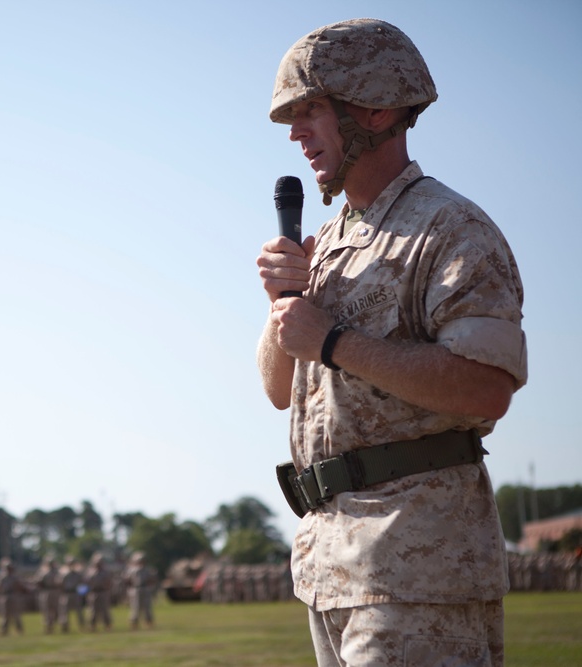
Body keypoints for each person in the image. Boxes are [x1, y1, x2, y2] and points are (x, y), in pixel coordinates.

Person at [256, 18, 527, 666]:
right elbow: (277, 390)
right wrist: (282, 305)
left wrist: (333, 341)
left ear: (375, 109)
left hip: (419, 568)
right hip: (330, 568)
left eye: (311, 110)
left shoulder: (449, 228)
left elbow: (486, 387)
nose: (295, 133)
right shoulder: (330, 243)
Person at [0, 558, 28, 636]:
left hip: (8, 596)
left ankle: (11, 630)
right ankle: (8, 630)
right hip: (9, 596)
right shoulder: (7, 577)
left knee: (11, 614)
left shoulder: (3, 577)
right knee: (7, 614)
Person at [124, 552, 157, 630]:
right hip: (136, 589)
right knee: (135, 606)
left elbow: (152, 579)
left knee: (147, 606)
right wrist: (130, 589)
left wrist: (150, 587)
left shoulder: (148, 570)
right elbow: (127, 580)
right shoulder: (132, 570)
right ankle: (134, 622)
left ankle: (148, 622)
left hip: (145, 588)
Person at [84, 553, 113, 632]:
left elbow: (109, 582)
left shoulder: (106, 572)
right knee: (92, 610)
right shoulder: (90, 572)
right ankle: (92, 626)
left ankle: (107, 625)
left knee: (105, 610)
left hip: (103, 592)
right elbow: (86, 582)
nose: (98, 563)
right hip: (93, 592)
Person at [33, 556, 60, 634]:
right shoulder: (42, 571)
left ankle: (54, 624)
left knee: (56, 609)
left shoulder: (57, 572)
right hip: (46, 591)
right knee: (46, 610)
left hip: (55, 591)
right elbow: (37, 582)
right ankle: (48, 626)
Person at [57, 556, 85, 633]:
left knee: (79, 611)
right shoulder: (63, 572)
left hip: (75, 593)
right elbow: (59, 583)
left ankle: (82, 626)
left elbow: (82, 583)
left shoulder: (78, 573)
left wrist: (81, 593)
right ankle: (65, 627)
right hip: (66, 593)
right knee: (64, 611)